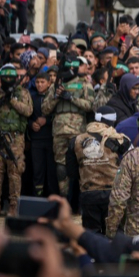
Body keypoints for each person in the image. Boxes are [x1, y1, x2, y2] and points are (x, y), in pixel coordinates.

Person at [72, 105, 131, 234]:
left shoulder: (76, 140)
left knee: (91, 235)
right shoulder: (120, 140)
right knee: (114, 234)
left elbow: (71, 172)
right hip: (113, 194)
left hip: (89, 194)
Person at [41, 55, 95, 196]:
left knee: (81, 165)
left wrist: (71, 98)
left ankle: (80, 200)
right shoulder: (55, 86)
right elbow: (45, 109)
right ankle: (65, 199)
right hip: (59, 130)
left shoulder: (84, 85)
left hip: (78, 130)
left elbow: (90, 105)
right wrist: (57, 97)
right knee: (61, 167)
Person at [0, 64, 32, 215]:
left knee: (15, 172)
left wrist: (12, 100)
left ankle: (14, 206)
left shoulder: (22, 93)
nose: (8, 80)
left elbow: (28, 111)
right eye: (5, 78)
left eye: (11, 77)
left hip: (16, 139)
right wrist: (2, 99)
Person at [27, 70, 54, 196]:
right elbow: (26, 116)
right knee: (37, 172)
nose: (39, 85)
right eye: (37, 82)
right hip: (36, 140)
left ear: (49, 83)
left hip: (50, 139)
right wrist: (31, 124)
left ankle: (52, 199)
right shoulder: (31, 98)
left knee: (51, 172)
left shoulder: (52, 98)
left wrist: (46, 121)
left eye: (42, 82)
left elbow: (57, 116)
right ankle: (37, 199)